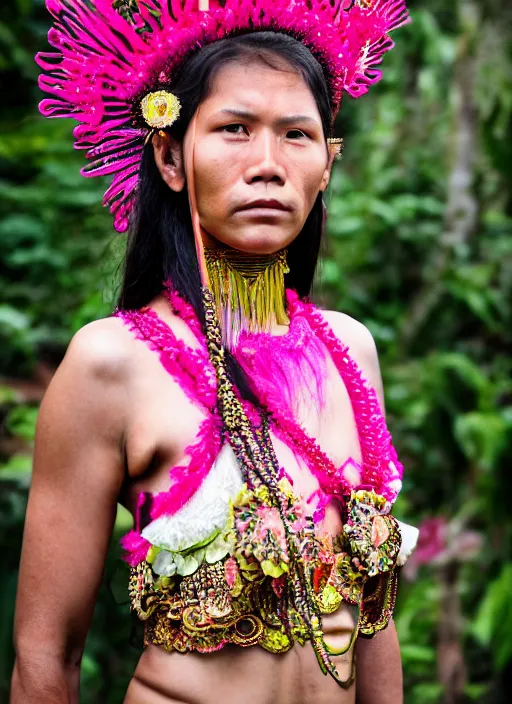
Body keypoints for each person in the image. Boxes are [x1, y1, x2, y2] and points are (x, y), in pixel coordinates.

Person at [11, 2, 418, 703]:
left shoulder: (350, 348)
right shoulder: (111, 363)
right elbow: (46, 652)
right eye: (235, 130)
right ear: (170, 156)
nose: (268, 165)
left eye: (297, 135)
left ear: (328, 165)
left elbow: (373, 618)